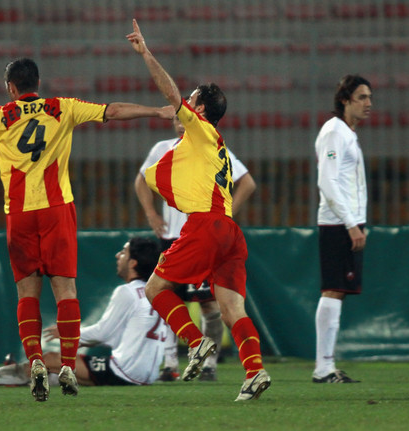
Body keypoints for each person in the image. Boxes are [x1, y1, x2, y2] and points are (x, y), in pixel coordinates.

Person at [0, 58, 174, 402]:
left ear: (11, 88)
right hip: (57, 210)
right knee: (65, 290)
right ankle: (67, 364)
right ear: (38, 83)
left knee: (27, 293)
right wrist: (156, 111)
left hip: (20, 214)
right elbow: (113, 110)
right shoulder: (62, 107)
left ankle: (37, 360)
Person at [126, 20, 271, 401]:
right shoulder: (216, 145)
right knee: (231, 310)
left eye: (191, 100)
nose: (185, 105)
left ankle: (195, 343)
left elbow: (170, 94)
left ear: (201, 107)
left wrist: (146, 54)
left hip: (205, 226)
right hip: (228, 231)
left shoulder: (201, 127)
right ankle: (254, 372)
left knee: (156, 288)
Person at [134, 116, 256, 381]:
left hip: (200, 233)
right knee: (178, 301)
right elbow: (141, 180)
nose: (180, 122)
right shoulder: (165, 147)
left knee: (204, 304)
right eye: (176, 118)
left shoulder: (206, 146)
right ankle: (171, 364)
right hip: (176, 234)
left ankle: (207, 360)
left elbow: (247, 181)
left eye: (185, 117)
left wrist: (225, 213)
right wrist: (152, 214)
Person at [0, 237, 167, 388]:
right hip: (148, 373)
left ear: (133, 263)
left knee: (50, 359)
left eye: (124, 252)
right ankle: (14, 379)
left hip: (127, 371)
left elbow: (103, 334)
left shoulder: (128, 292)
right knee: (62, 373)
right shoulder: (156, 291)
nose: (117, 255)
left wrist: (69, 332)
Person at [313, 74, 372, 383]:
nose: (368, 104)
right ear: (345, 100)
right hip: (338, 223)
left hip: (345, 221)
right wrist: (351, 224)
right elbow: (328, 181)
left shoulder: (346, 133)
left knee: (338, 291)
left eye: (369, 98)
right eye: (362, 97)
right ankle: (323, 368)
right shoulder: (334, 132)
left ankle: (326, 365)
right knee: (333, 290)